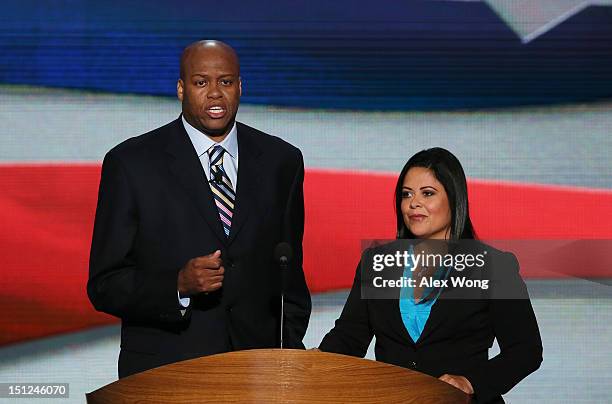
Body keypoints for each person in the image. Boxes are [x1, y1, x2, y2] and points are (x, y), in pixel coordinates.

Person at [88, 40, 311, 378]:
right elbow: (105, 284)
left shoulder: (282, 161)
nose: (215, 94)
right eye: (201, 82)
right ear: (181, 88)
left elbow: (290, 279)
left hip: (257, 373)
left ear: (240, 87)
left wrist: (285, 352)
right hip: (167, 371)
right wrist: (176, 286)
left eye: (226, 82)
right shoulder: (132, 163)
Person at [318, 148, 542, 403]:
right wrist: (314, 362)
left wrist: (470, 381)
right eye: (406, 194)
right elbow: (349, 337)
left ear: (454, 199)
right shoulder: (376, 263)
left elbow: (526, 351)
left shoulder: (493, 267)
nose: (414, 203)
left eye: (428, 193)